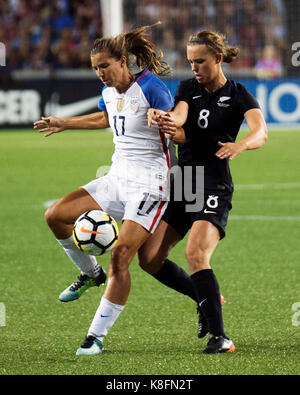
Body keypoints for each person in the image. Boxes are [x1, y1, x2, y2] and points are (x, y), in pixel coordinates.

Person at [34, 22, 185, 355]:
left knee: (121, 255)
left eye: (104, 65)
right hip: (116, 178)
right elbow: (104, 118)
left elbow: (179, 129)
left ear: (122, 61)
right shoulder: (108, 93)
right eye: (95, 68)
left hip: (150, 185)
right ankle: (91, 274)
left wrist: (167, 123)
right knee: (56, 216)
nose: (100, 73)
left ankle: (95, 337)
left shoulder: (152, 88)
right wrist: (64, 122)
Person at [139, 30, 268, 354]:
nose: (194, 67)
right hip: (183, 180)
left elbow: (260, 132)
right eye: (190, 61)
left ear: (218, 59)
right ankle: (201, 297)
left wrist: (241, 145)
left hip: (213, 182)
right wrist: (165, 117)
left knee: (196, 254)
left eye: (200, 61)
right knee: (149, 258)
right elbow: (179, 116)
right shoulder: (187, 88)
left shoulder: (239, 94)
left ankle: (220, 337)